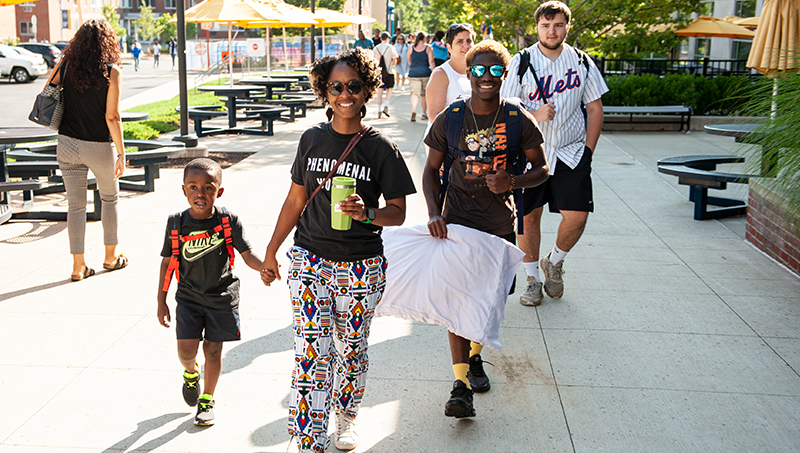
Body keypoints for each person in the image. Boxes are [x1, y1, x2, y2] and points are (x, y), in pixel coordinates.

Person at [260, 48, 416, 453]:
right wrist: (272, 250)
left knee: (351, 350)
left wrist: (368, 214)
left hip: (362, 266)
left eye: (353, 86)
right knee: (311, 355)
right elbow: (295, 200)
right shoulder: (311, 139)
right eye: (336, 87)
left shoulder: (381, 148)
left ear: (367, 91)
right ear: (324, 92)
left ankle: (347, 418)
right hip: (310, 259)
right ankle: (307, 440)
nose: (345, 94)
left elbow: (398, 213)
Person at [423, 40, 548, 418]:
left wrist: (512, 182)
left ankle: (475, 357)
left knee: (489, 301)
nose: (487, 77)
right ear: (468, 72)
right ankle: (460, 386)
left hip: (498, 225)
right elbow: (431, 170)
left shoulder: (517, 119)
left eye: (495, 70)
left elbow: (541, 169)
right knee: (458, 302)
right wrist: (433, 212)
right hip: (458, 223)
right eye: (479, 69)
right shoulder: (451, 117)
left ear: (504, 74)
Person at [500, 0, 608, 306]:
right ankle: (532, 278)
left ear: (567, 27)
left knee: (577, 216)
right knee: (528, 218)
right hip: (530, 155)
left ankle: (555, 261)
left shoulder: (582, 62)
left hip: (571, 152)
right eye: (546, 25)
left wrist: (588, 152)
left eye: (558, 24)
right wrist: (535, 112)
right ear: (537, 27)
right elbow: (506, 109)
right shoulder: (522, 62)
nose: (552, 30)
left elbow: (595, 108)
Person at [157, 158, 264, 426]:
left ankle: (207, 399)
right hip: (189, 298)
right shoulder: (176, 224)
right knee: (185, 351)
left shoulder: (228, 220)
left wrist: (264, 267)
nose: (200, 193)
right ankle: (191, 373)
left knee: (213, 352)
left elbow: (247, 253)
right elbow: (167, 263)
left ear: (219, 191)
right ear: (184, 190)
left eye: (208, 188)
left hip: (221, 298)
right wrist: (161, 300)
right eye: (193, 187)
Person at [48, 19, 127, 282]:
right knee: (109, 199)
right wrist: (122, 152)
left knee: (76, 207)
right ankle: (110, 257)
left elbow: (48, 90)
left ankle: (78, 266)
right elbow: (112, 117)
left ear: (78, 43)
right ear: (108, 43)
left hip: (67, 143)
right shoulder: (111, 71)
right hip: (98, 146)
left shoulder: (66, 64)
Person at [426, 23, 474, 126]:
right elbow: (434, 116)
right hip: (447, 139)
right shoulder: (441, 74)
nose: (466, 45)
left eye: (469, 41)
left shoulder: (478, 71)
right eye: (459, 41)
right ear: (449, 47)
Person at [406, 31, 434, 122]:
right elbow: (431, 62)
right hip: (425, 73)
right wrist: (434, 72)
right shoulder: (428, 48)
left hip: (413, 73)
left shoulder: (411, 48)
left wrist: (414, 67)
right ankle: (423, 114)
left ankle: (413, 110)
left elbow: (409, 61)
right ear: (424, 38)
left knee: (414, 93)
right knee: (424, 95)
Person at [373, 32, 400, 118]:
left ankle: (379, 110)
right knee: (389, 90)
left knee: (379, 92)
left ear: (381, 39)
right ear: (388, 38)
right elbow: (395, 61)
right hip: (389, 72)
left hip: (379, 73)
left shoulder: (376, 48)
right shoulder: (391, 48)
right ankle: (386, 106)